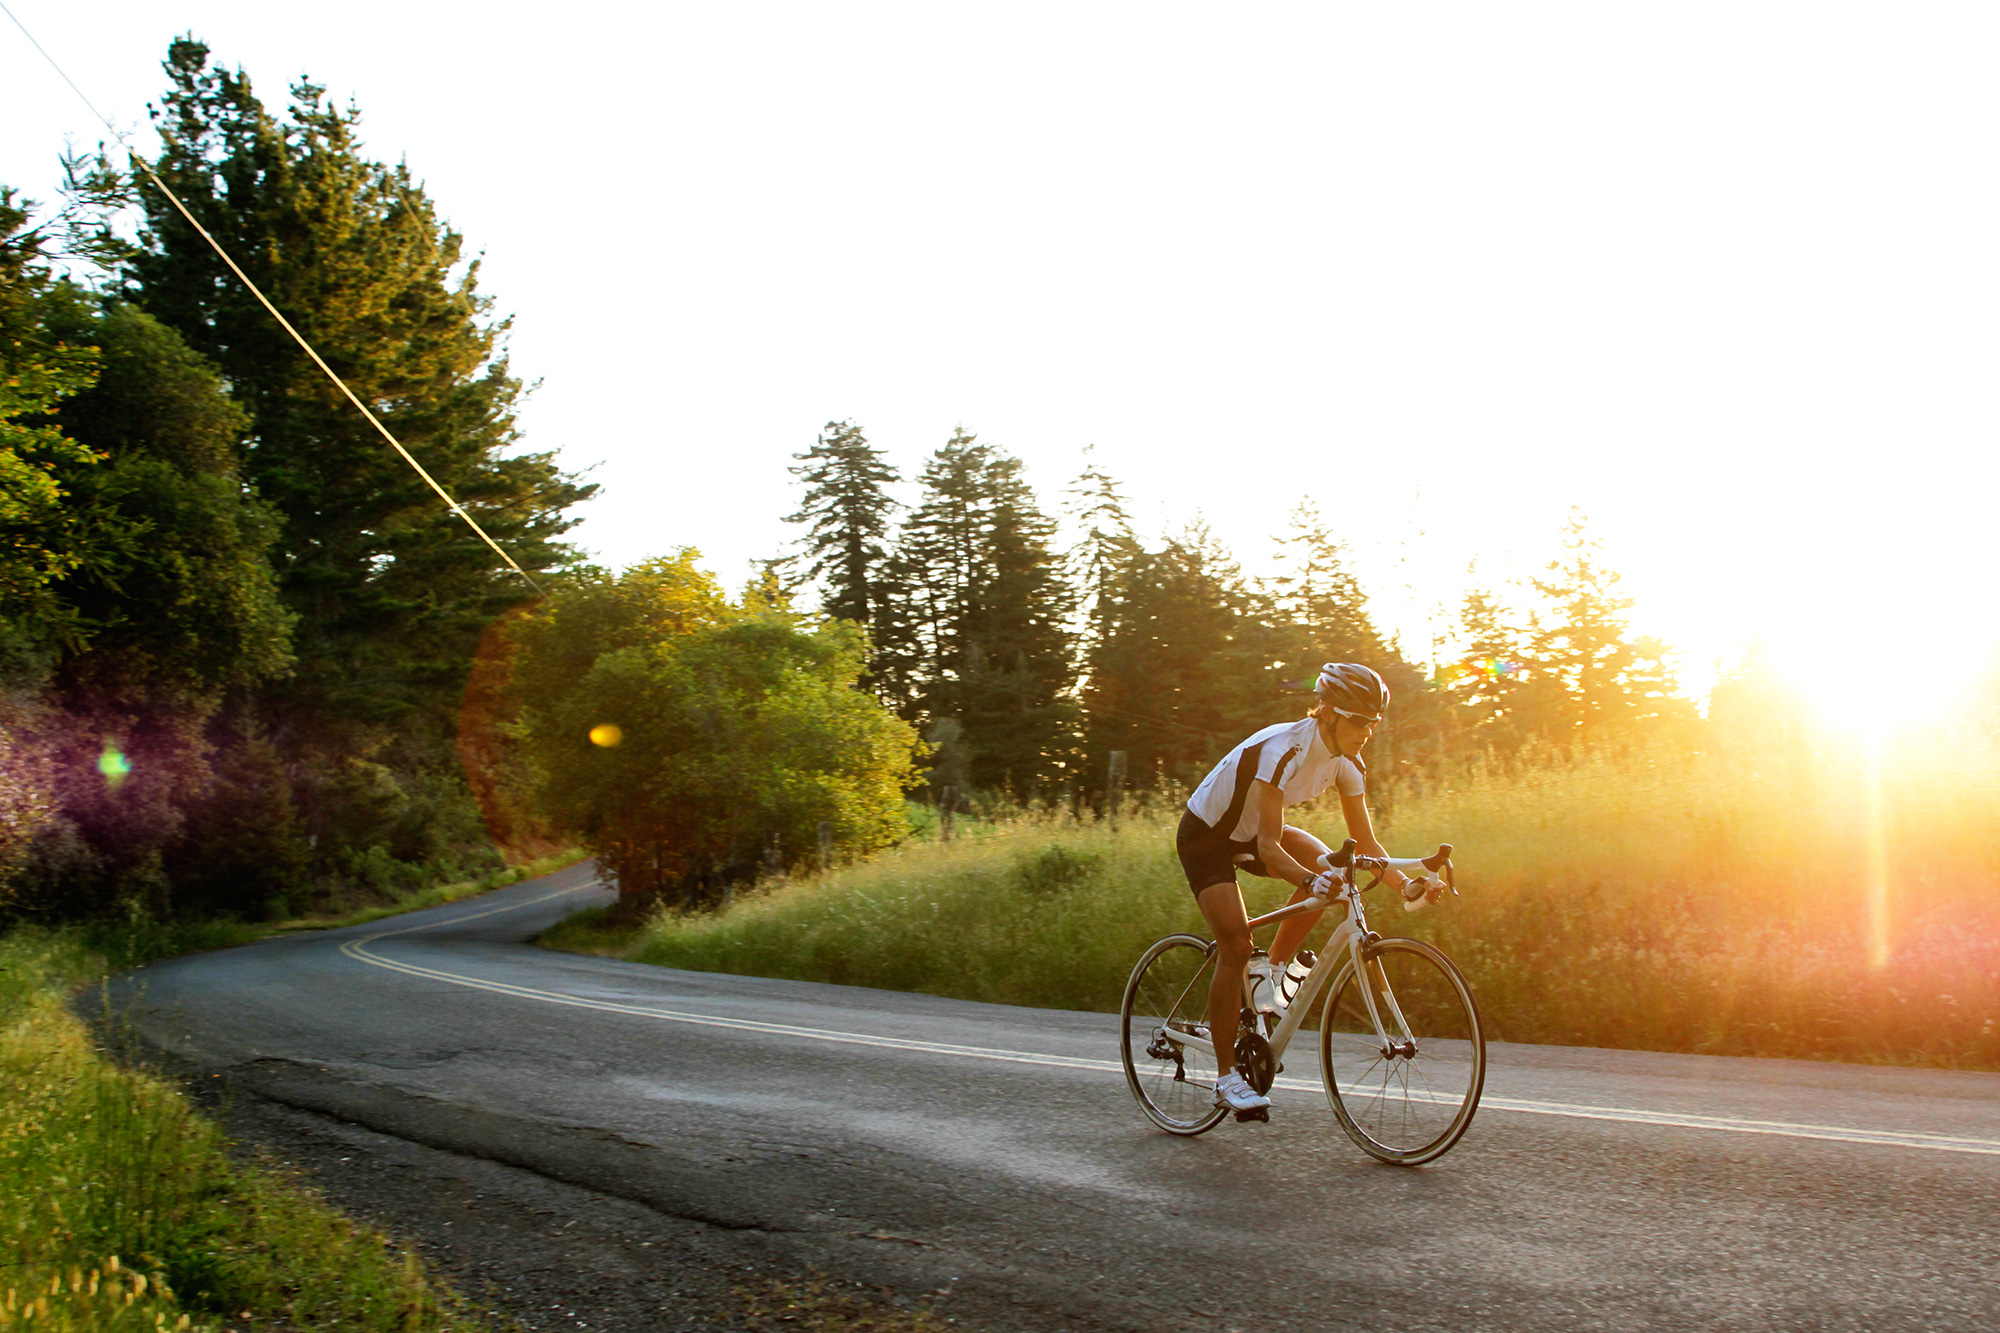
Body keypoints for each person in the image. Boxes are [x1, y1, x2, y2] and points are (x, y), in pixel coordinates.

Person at [1176, 662, 1442, 1116]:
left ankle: (1272, 972)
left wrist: (1406, 885)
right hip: (1208, 836)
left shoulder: (1348, 763)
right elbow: (1270, 848)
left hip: (1252, 831)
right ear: (1329, 714)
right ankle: (1225, 1079)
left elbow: (1367, 846)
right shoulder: (1284, 750)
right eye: (1359, 721)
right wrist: (1308, 880)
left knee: (1337, 872)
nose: (1367, 732)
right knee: (1236, 945)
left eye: (1373, 723)